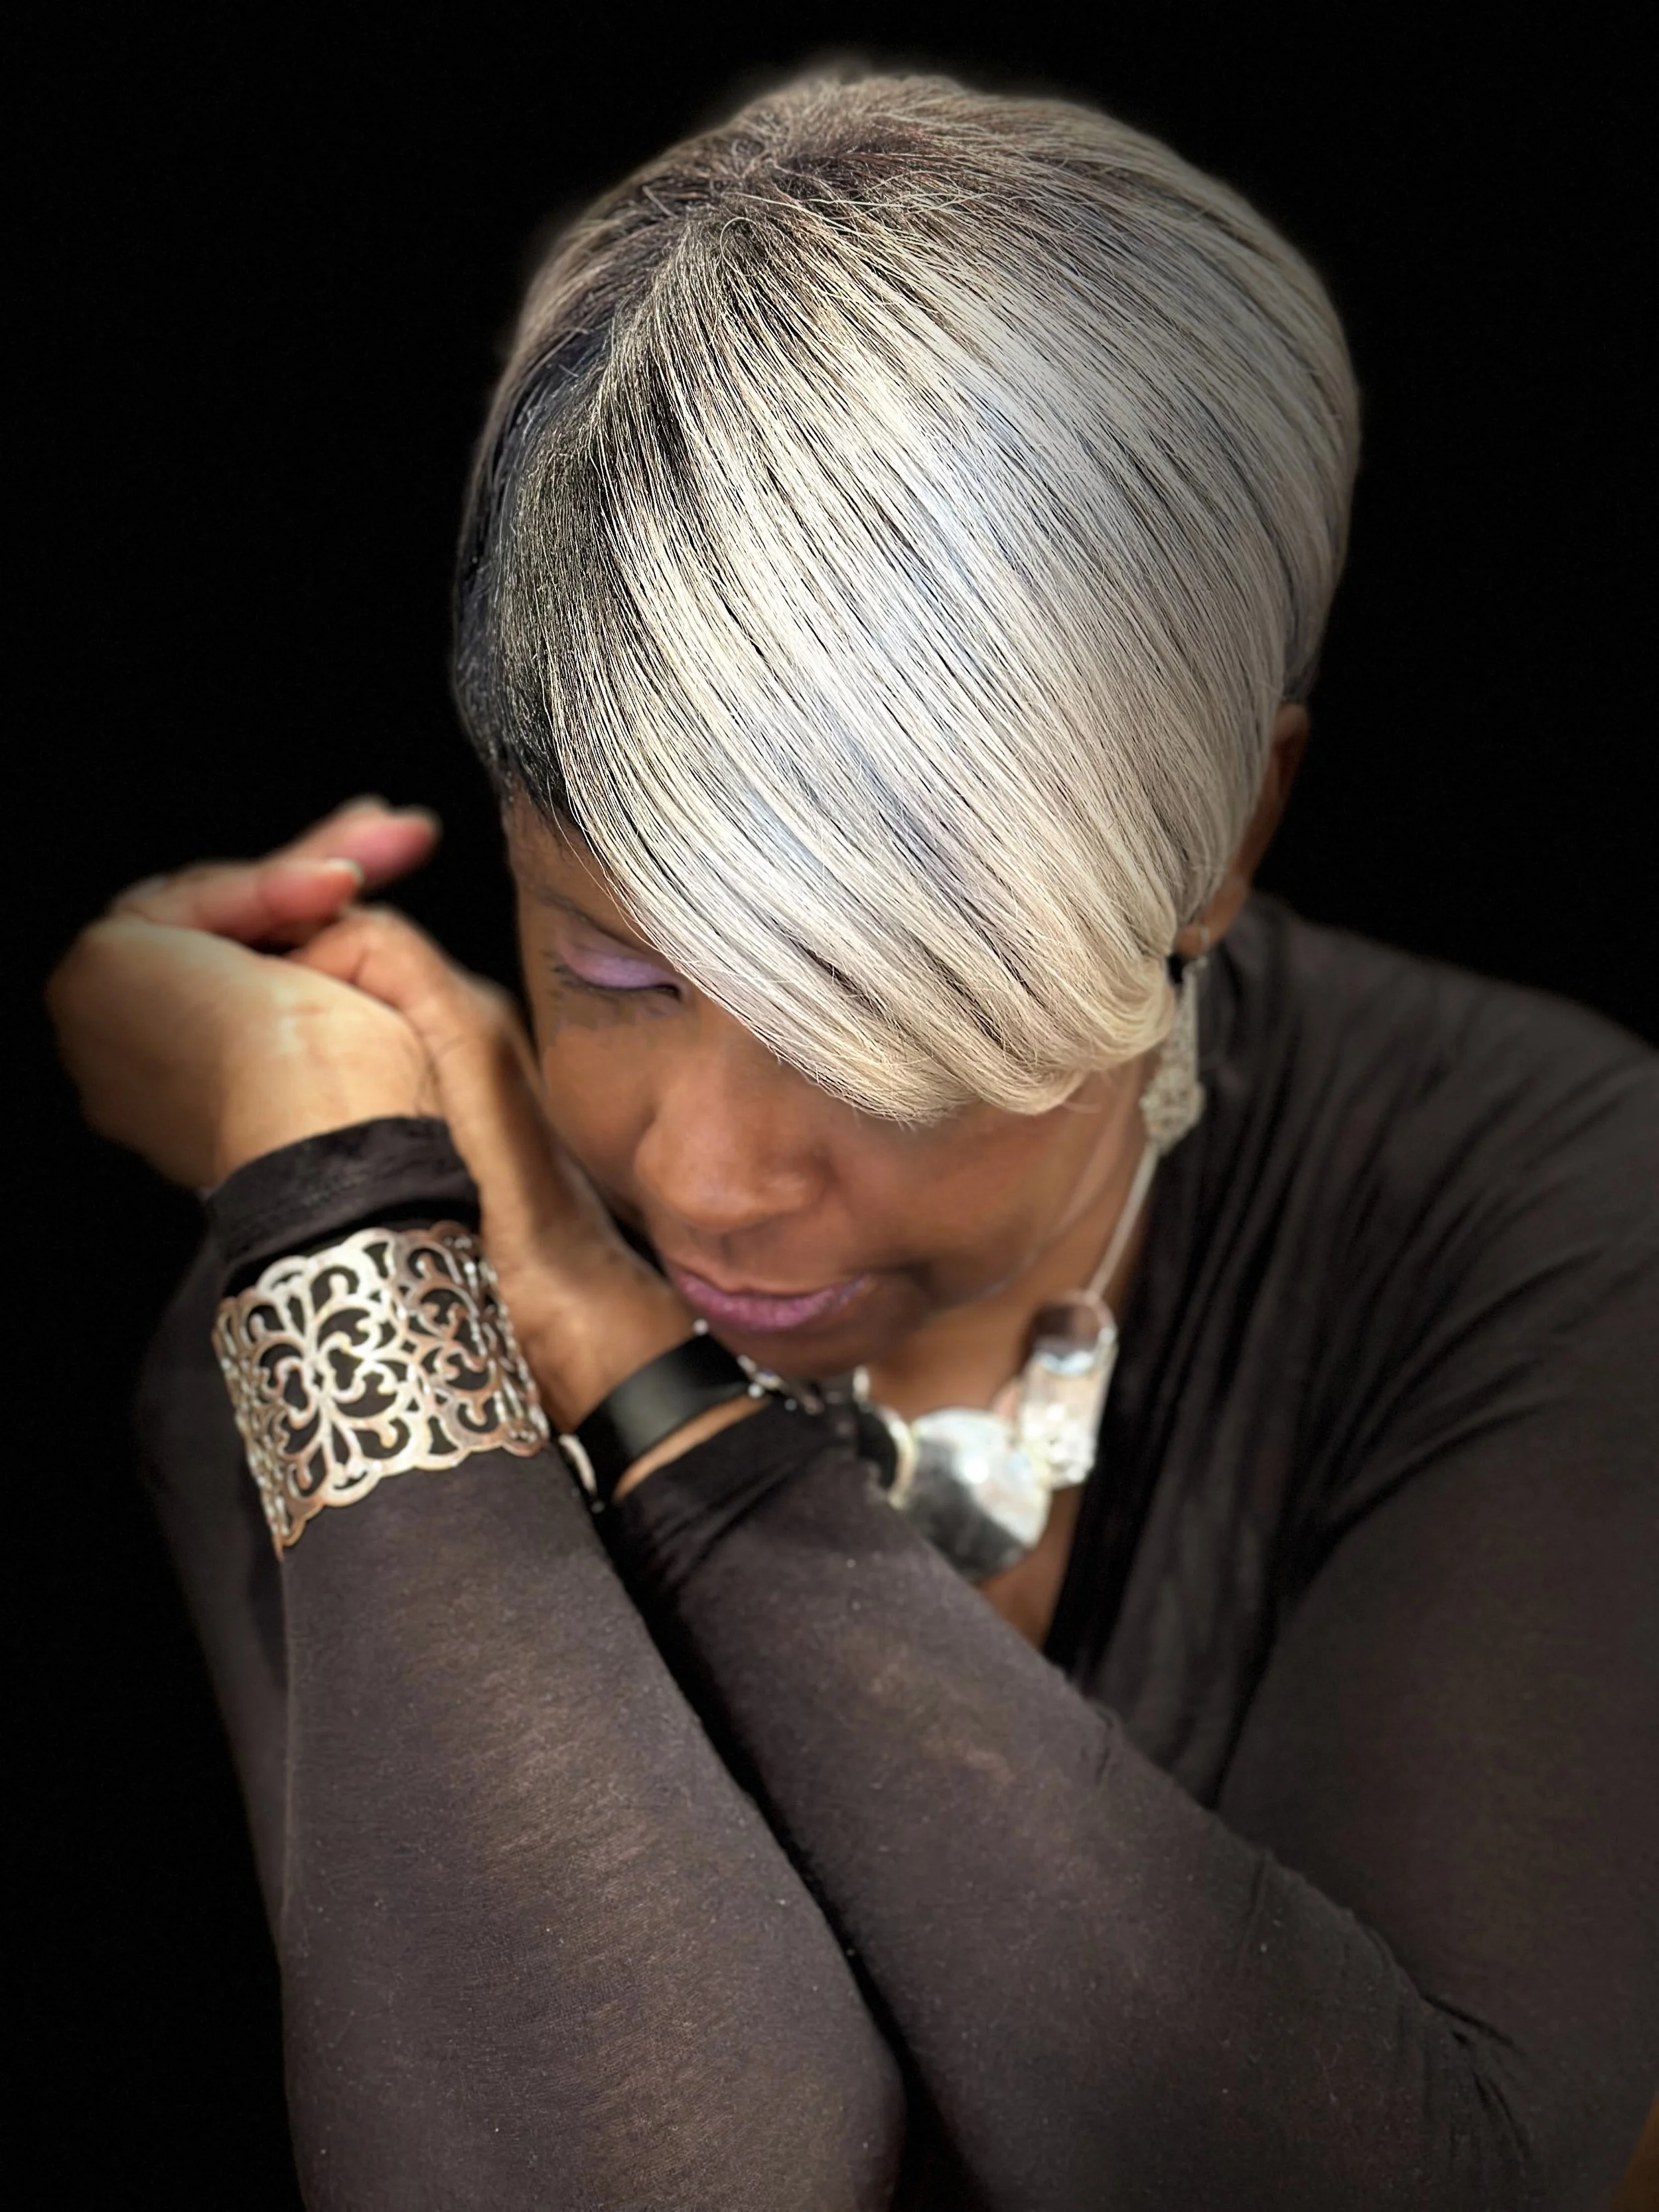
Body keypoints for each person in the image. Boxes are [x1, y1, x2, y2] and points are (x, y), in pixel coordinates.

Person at [47, 66, 1658, 2211]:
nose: (705, 1175)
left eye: (875, 1026)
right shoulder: (346, 1259)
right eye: (611, 970)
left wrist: (629, 1350)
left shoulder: (1533, 1191)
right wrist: (330, 1207)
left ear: (1221, 841)